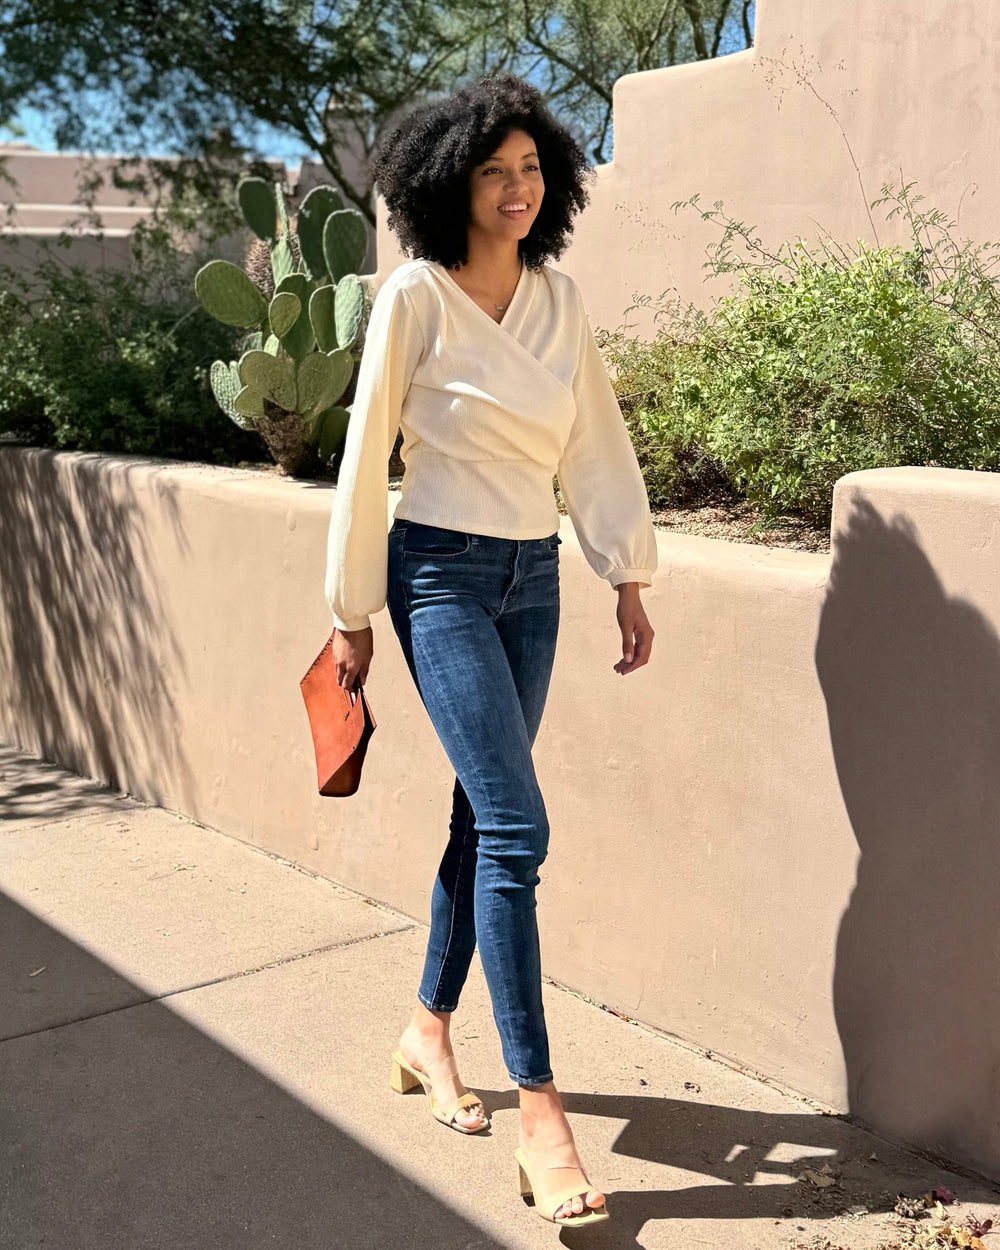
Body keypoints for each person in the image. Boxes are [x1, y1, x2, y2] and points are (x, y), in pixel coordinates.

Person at [324, 69, 656, 1227]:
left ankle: (426, 1026)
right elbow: (366, 452)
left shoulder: (559, 301)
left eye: (531, 169)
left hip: (534, 579)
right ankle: (542, 1117)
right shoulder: (415, 297)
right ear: (444, 183)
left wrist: (626, 571)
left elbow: (596, 443)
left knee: (482, 815)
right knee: (517, 825)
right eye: (491, 171)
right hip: (439, 579)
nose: (516, 188)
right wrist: (350, 610)